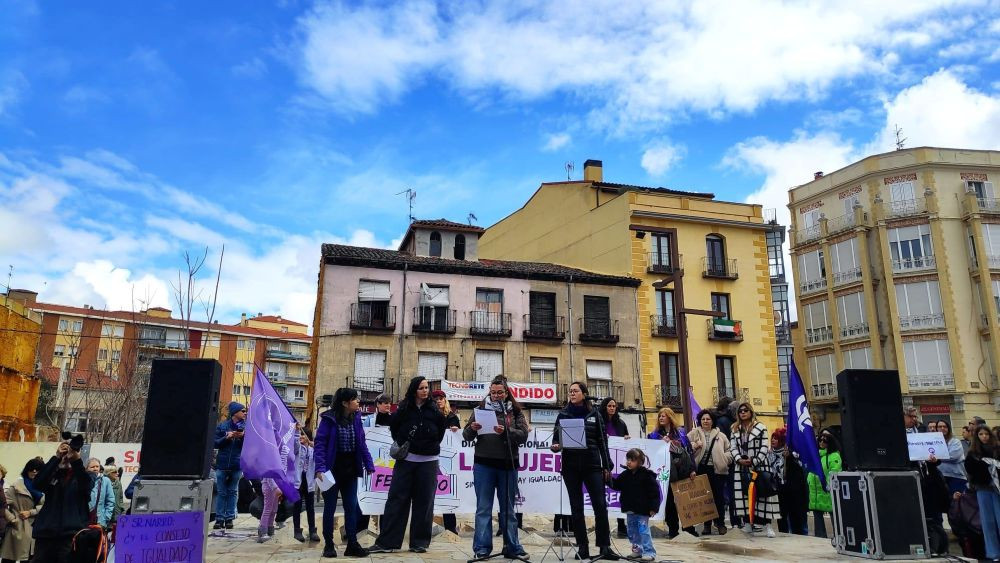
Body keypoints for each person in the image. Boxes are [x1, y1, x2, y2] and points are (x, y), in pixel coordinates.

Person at [370, 377, 446, 555]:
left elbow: (440, 431)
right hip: (406, 461)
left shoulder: (434, 410)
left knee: (424, 503)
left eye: (427, 388)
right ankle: (388, 542)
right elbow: (394, 428)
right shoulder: (403, 408)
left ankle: (419, 542)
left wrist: (428, 445)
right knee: (397, 501)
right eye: (421, 388)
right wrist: (406, 442)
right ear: (414, 390)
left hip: (428, 462)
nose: (425, 391)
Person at [550, 381, 619, 561]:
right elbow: (556, 440)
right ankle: (583, 547)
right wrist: (555, 447)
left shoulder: (595, 413)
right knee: (576, 508)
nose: (572, 394)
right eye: (570, 391)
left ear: (584, 393)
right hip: (571, 466)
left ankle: (604, 547)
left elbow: (603, 441)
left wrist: (607, 465)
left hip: (592, 465)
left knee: (600, 506)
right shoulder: (563, 414)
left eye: (575, 391)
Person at [463, 377, 529, 559]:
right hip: (484, 465)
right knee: (483, 508)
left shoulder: (515, 412)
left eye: (500, 392)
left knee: (508, 509)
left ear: (506, 393)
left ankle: (513, 547)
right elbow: (466, 435)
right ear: (489, 393)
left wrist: (506, 432)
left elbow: (523, 436)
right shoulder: (480, 409)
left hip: (508, 466)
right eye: (493, 392)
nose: (497, 395)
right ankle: (482, 549)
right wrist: (473, 429)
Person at [314, 387, 376, 558]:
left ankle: (352, 544)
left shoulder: (356, 418)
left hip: (350, 470)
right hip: (331, 471)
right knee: (330, 508)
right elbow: (320, 445)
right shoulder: (328, 420)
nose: (358, 402)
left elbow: (362, 443)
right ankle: (328, 545)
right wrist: (319, 468)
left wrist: (369, 464)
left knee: (351, 507)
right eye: (355, 399)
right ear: (344, 403)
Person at [31, 437, 91, 563]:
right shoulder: (54, 473)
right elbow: (37, 484)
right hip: (46, 534)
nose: (68, 453)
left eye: (71, 448)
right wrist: (57, 457)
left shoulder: (81, 475)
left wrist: (76, 461)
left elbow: (85, 487)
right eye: (66, 447)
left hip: (70, 535)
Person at [648, 407, 698, 538]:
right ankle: (673, 529)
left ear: (670, 417)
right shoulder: (653, 435)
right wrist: (660, 443)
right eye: (660, 416)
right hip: (665, 473)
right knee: (669, 502)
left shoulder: (681, 434)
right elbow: (650, 452)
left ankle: (689, 527)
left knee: (685, 501)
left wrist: (692, 469)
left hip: (682, 471)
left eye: (664, 416)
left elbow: (689, 452)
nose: (661, 418)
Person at [730, 402, 778, 538]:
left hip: (760, 466)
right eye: (740, 411)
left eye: (745, 410)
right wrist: (739, 459)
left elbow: (764, 446)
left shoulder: (760, 427)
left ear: (750, 412)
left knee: (764, 495)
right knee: (744, 496)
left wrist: (755, 460)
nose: (743, 413)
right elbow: (732, 447)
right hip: (742, 467)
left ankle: (768, 526)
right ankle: (747, 524)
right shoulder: (734, 429)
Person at [609, 448, 658, 562]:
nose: (629, 462)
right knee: (632, 531)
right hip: (630, 509)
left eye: (633, 460)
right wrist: (608, 479)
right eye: (628, 459)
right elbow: (616, 485)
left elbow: (654, 492)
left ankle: (649, 552)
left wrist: (653, 507)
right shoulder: (625, 475)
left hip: (643, 510)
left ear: (640, 461)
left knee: (643, 531)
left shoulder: (647, 475)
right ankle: (637, 551)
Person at [688, 408, 732, 536]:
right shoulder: (694, 433)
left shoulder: (721, 435)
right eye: (703, 419)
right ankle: (706, 525)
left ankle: (720, 524)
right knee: (704, 499)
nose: (705, 421)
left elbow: (729, 450)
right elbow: (685, 446)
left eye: (708, 419)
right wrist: (694, 445)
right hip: (701, 469)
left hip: (717, 470)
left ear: (713, 421)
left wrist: (725, 459)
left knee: (719, 498)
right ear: (700, 421)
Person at [966, 423, 1000, 561]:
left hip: (997, 489)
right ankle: (993, 553)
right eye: (981, 434)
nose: (984, 437)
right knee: (988, 523)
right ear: (977, 436)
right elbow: (970, 470)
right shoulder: (973, 453)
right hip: (983, 489)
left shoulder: (997, 449)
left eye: (986, 434)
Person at [598, 397, 630, 538]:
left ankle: (621, 526)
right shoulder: (599, 421)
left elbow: (626, 438)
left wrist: (627, 438)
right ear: (604, 407)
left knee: (619, 493)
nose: (612, 408)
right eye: (609, 406)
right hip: (601, 462)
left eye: (614, 406)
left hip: (618, 464)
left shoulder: (621, 423)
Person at [2, 459, 44, 563]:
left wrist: (31, 512)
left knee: (31, 558)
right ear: (26, 470)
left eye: (38, 469)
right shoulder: (17, 486)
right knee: (9, 557)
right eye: (31, 468)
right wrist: (13, 519)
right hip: (19, 527)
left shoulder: (45, 487)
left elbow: (46, 505)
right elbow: (2, 505)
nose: (34, 471)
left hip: (37, 527)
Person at [769, 428, 809, 536]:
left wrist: (789, 457)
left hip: (792, 491)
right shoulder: (770, 454)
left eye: (776, 438)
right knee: (781, 516)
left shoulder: (792, 454)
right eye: (772, 438)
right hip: (778, 490)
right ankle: (783, 534)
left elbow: (799, 470)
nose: (773, 440)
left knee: (795, 516)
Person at [213, 401, 246, 530]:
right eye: (242, 411)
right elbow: (215, 443)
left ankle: (229, 518)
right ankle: (219, 518)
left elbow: (250, 446)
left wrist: (243, 436)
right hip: (222, 464)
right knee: (221, 492)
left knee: (232, 492)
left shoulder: (246, 427)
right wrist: (227, 437)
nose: (244, 413)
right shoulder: (222, 426)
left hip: (236, 464)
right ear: (235, 413)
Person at [432, 389, 461, 535]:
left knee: (446, 493)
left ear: (445, 400)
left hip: (447, 462)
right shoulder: (430, 416)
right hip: (431, 458)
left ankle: (450, 528)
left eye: (441, 398)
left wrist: (456, 431)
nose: (438, 401)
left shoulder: (452, 417)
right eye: (436, 398)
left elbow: (458, 440)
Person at [807, 430, 841, 538]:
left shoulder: (834, 456)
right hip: (815, 491)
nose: (821, 442)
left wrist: (829, 485)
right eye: (820, 440)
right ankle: (820, 537)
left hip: (827, 490)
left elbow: (835, 472)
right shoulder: (816, 455)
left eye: (825, 441)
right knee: (817, 515)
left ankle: (839, 536)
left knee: (834, 515)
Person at [292, 427, 319, 543]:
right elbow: (295, 445)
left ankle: (312, 531)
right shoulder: (298, 449)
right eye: (300, 436)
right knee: (297, 507)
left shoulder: (313, 449)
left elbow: (320, 458)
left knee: (310, 507)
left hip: (309, 482)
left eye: (304, 436)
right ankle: (297, 531)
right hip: (298, 481)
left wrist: (316, 447)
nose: (301, 438)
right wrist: (297, 432)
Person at [937, 420, 968, 496]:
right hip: (940, 477)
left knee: (957, 503)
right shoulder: (934, 442)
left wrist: (937, 458)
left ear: (948, 428)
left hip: (956, 477)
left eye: (945, 426)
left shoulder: (955, 442)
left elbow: (954, 457)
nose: (942, 428)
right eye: (940, 426)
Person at [85, 459, 114, 530]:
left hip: (99, 521)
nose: (95, 469)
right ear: (87, 468)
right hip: (84, 521)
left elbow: (110, 501)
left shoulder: (106, 481)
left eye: (97, 466)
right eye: (92, 467)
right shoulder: (83, 480)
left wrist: (105, 518)